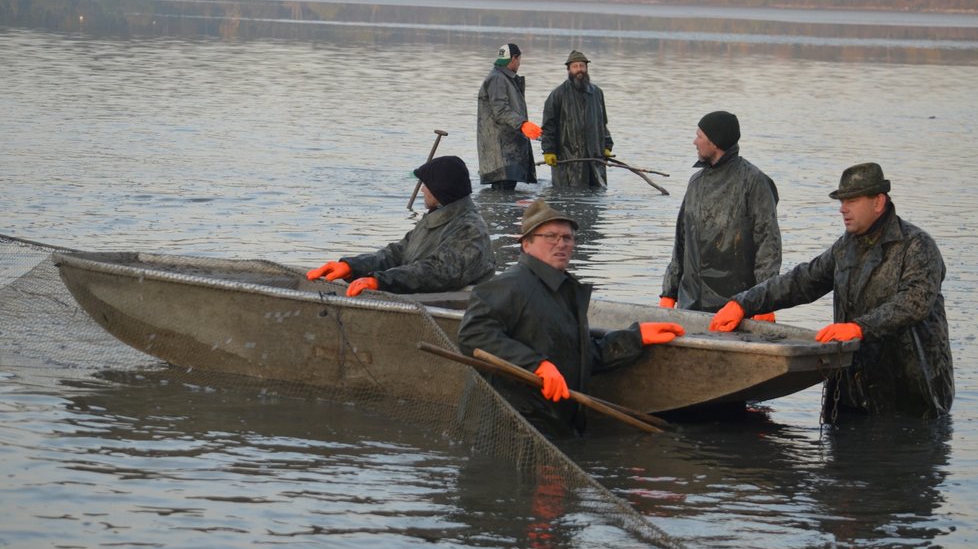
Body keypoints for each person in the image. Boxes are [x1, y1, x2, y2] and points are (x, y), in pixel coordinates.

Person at [709, 162, 953, 419]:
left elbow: (913, 303)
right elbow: (801, 281)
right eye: (841, 201)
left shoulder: (917, 246)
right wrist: (743, 303)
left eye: (851, 200)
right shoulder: (845, 247)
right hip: (852, 392)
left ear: (878, 202)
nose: (842, 208)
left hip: (912, 397)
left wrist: (859, 328)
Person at [457, 199, 685, 436]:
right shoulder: (509, 284)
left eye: (567, 238)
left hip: (551, 423)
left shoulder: (564, 290)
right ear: (526, 243)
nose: (561, 244)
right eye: (551, 236)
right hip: (507, 426)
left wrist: (636, 337)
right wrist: (536, 365)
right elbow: (473, 334)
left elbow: (582, 356)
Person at [306, 155, 495, 296]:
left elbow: (438, 272)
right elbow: (397, 253)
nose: (422, 189)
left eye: (426, 184)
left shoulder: (470, 229)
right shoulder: (435, 218)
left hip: (455, 308)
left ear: (441, 188)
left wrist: (380, 281)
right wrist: (352, 267)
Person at [660, 110, 781, 319]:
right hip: (690, 304)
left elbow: (768, 244)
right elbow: (681, 241)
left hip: (736, 307)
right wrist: (669, 292)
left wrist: (765, 300)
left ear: (715, 142)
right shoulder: (695, 183)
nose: (694, 142)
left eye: (699, 136)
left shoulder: (754, 182)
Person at [541, 50, 614, 189]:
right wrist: (549, 150)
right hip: (568, 160)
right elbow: (548, 126)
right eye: (575, 66)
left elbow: (602, 123)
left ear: (586, 68)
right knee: (569, 196)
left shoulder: (597, 93)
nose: (579, 70)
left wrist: (607, 145)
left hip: (595, 159)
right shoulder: (558, 94)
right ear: (568, 69)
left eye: (582, 66)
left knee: (596, 197)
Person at [477, 43, 541, 191]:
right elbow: (500, 111)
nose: (519, 63)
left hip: (508, 152)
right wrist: (522, 124)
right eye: (519, 59)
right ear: (514, 58)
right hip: (501, 155)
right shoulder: (498, 78)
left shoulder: (504, 77)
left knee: (506, 195)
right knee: (502, 195)